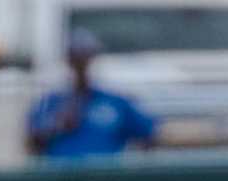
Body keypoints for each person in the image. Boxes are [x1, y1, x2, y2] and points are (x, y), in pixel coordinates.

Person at [27, 30, 157, 159]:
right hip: (61, 174)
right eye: (76, 58)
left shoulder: (114, 102)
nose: (81, 65)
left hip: (103, 174)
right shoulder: (50, 102)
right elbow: (33, 142)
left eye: (85, 57)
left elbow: (149, 133)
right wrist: (57, 125)